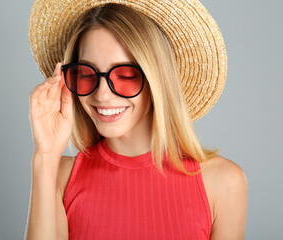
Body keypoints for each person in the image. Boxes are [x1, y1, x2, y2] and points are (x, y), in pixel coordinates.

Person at [25, 1, 247, 239]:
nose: (101, 94)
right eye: (87, 74)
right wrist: (45, 157)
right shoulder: (61, 176)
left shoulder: (224, 182)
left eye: (126, 75)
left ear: (156, 80)